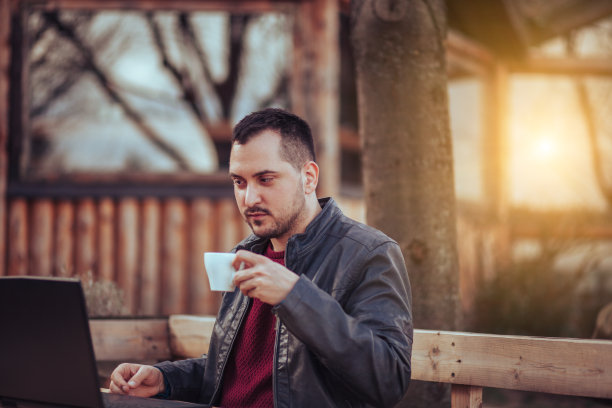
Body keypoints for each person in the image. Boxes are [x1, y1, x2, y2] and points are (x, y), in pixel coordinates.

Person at [110, 108, 413, 407]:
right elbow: (233, 372)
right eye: (239, 182)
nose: (249, 198)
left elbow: (388, 380)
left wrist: (295, 297)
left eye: (265, 179)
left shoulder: (369, 254)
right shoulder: (247, 254)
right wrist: (165, 379)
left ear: (308, 178)